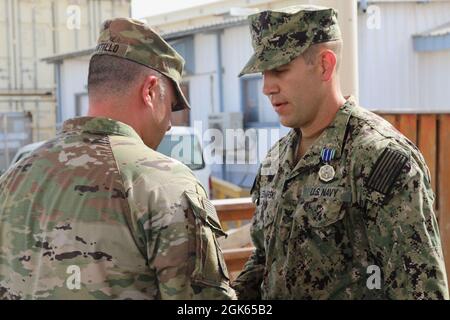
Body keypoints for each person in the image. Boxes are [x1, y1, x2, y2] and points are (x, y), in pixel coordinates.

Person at [0, 18, 235, 300]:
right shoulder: (164, 183)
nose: (170, 124)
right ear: (150, 92)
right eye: (171, 106)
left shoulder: (14, 178)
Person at [232, 5, 449, 299]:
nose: (267, 87)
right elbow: (265, 261)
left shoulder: (379, 159)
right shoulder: (277, 159)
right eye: (263, 74)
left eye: (280, 70)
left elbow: (420, 291)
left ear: (324, 65)